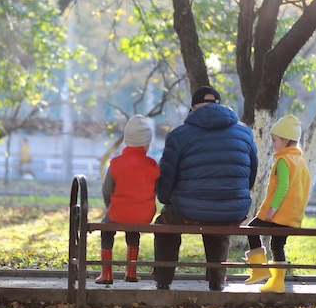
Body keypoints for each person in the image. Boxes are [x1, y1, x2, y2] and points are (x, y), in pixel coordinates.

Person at [153, 86, 258, 291]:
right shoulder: (245, 133)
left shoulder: (178, 136)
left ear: (193, 108)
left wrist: (166, 199)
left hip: (187, 210)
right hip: (232, 210)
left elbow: (167, 177)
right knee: (219, 222)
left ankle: (163, 280)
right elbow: (251, 175)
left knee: (164, 225)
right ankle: (217, 280)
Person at [244, 114, 311, 293]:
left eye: (274, 140)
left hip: (278, 214)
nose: (272, 144)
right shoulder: (300, 162)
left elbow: (283, 187)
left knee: (251, 230)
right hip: (292, 216)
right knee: (277, 245)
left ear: (286, 140)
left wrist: (272, 209)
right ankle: (277, 283)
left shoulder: (284, 160)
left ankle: (259, 271)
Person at [95, 115, 160, 284]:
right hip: (144, 215)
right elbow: (158, 190)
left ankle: (106, 274)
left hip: (118, 212)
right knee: (134, 230)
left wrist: (111, 207)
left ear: (127, 140)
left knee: (106, 230)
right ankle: (131, 272)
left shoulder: (116, 163)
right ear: (147, 143)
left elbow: (106, 190)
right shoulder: (152, 164)